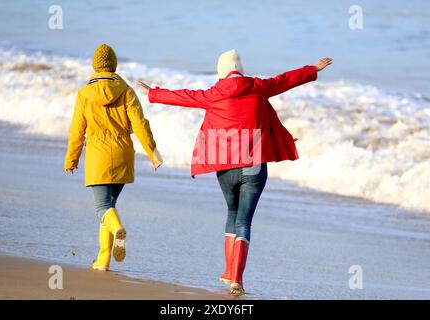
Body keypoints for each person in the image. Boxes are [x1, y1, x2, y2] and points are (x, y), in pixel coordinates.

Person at [137, 50, 332, 295]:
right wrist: (313, 68)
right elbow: (286, 80)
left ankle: (230, 271)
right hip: (253, 165)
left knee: (232, 212)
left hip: (226, 166)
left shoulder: (213, 94)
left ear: (221, 72)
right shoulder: (258, 86)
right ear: (241, 69)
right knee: (244, 220)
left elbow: (184, 96)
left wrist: (153, 93)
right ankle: (236, 277)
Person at [64, 44, 163, 271]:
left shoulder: (84, 94)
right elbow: (140, 124)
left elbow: (76, 131)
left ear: (95, 66)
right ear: (114, 65)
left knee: (102, 208)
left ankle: (117, 229)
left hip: (98, 156)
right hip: (122, 154)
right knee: (109, 205)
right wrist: (153, 153)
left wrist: (72, 159)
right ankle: (103, 260)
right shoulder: (126, 90)